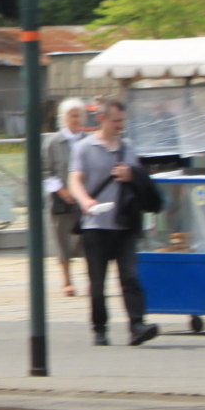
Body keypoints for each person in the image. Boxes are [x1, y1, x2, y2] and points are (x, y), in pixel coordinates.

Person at [62, 97, 160, 347]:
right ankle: (100, 329)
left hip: (124, 222)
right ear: (101, 118)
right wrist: (84, 201)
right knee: (98, 281)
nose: (120, 125)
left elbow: (140, 181)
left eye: (123, 121)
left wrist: (131, 175)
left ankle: (137, 325)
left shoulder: (127, 147)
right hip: (95, 225)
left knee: (130, 276)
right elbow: (75, 179)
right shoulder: (84, 148)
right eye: (116, 120)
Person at [40, 98, 92, 298]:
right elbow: (45, 171)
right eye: (72, 115)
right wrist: (61, 190)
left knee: (88, 241)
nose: (76, 119)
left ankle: (90, 280)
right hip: (60, 201)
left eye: (79, 115)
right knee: (62, 240)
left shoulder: (88, 141)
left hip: (85, 199)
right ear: (63, 118)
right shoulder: (53, 142)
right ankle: (67, 281)